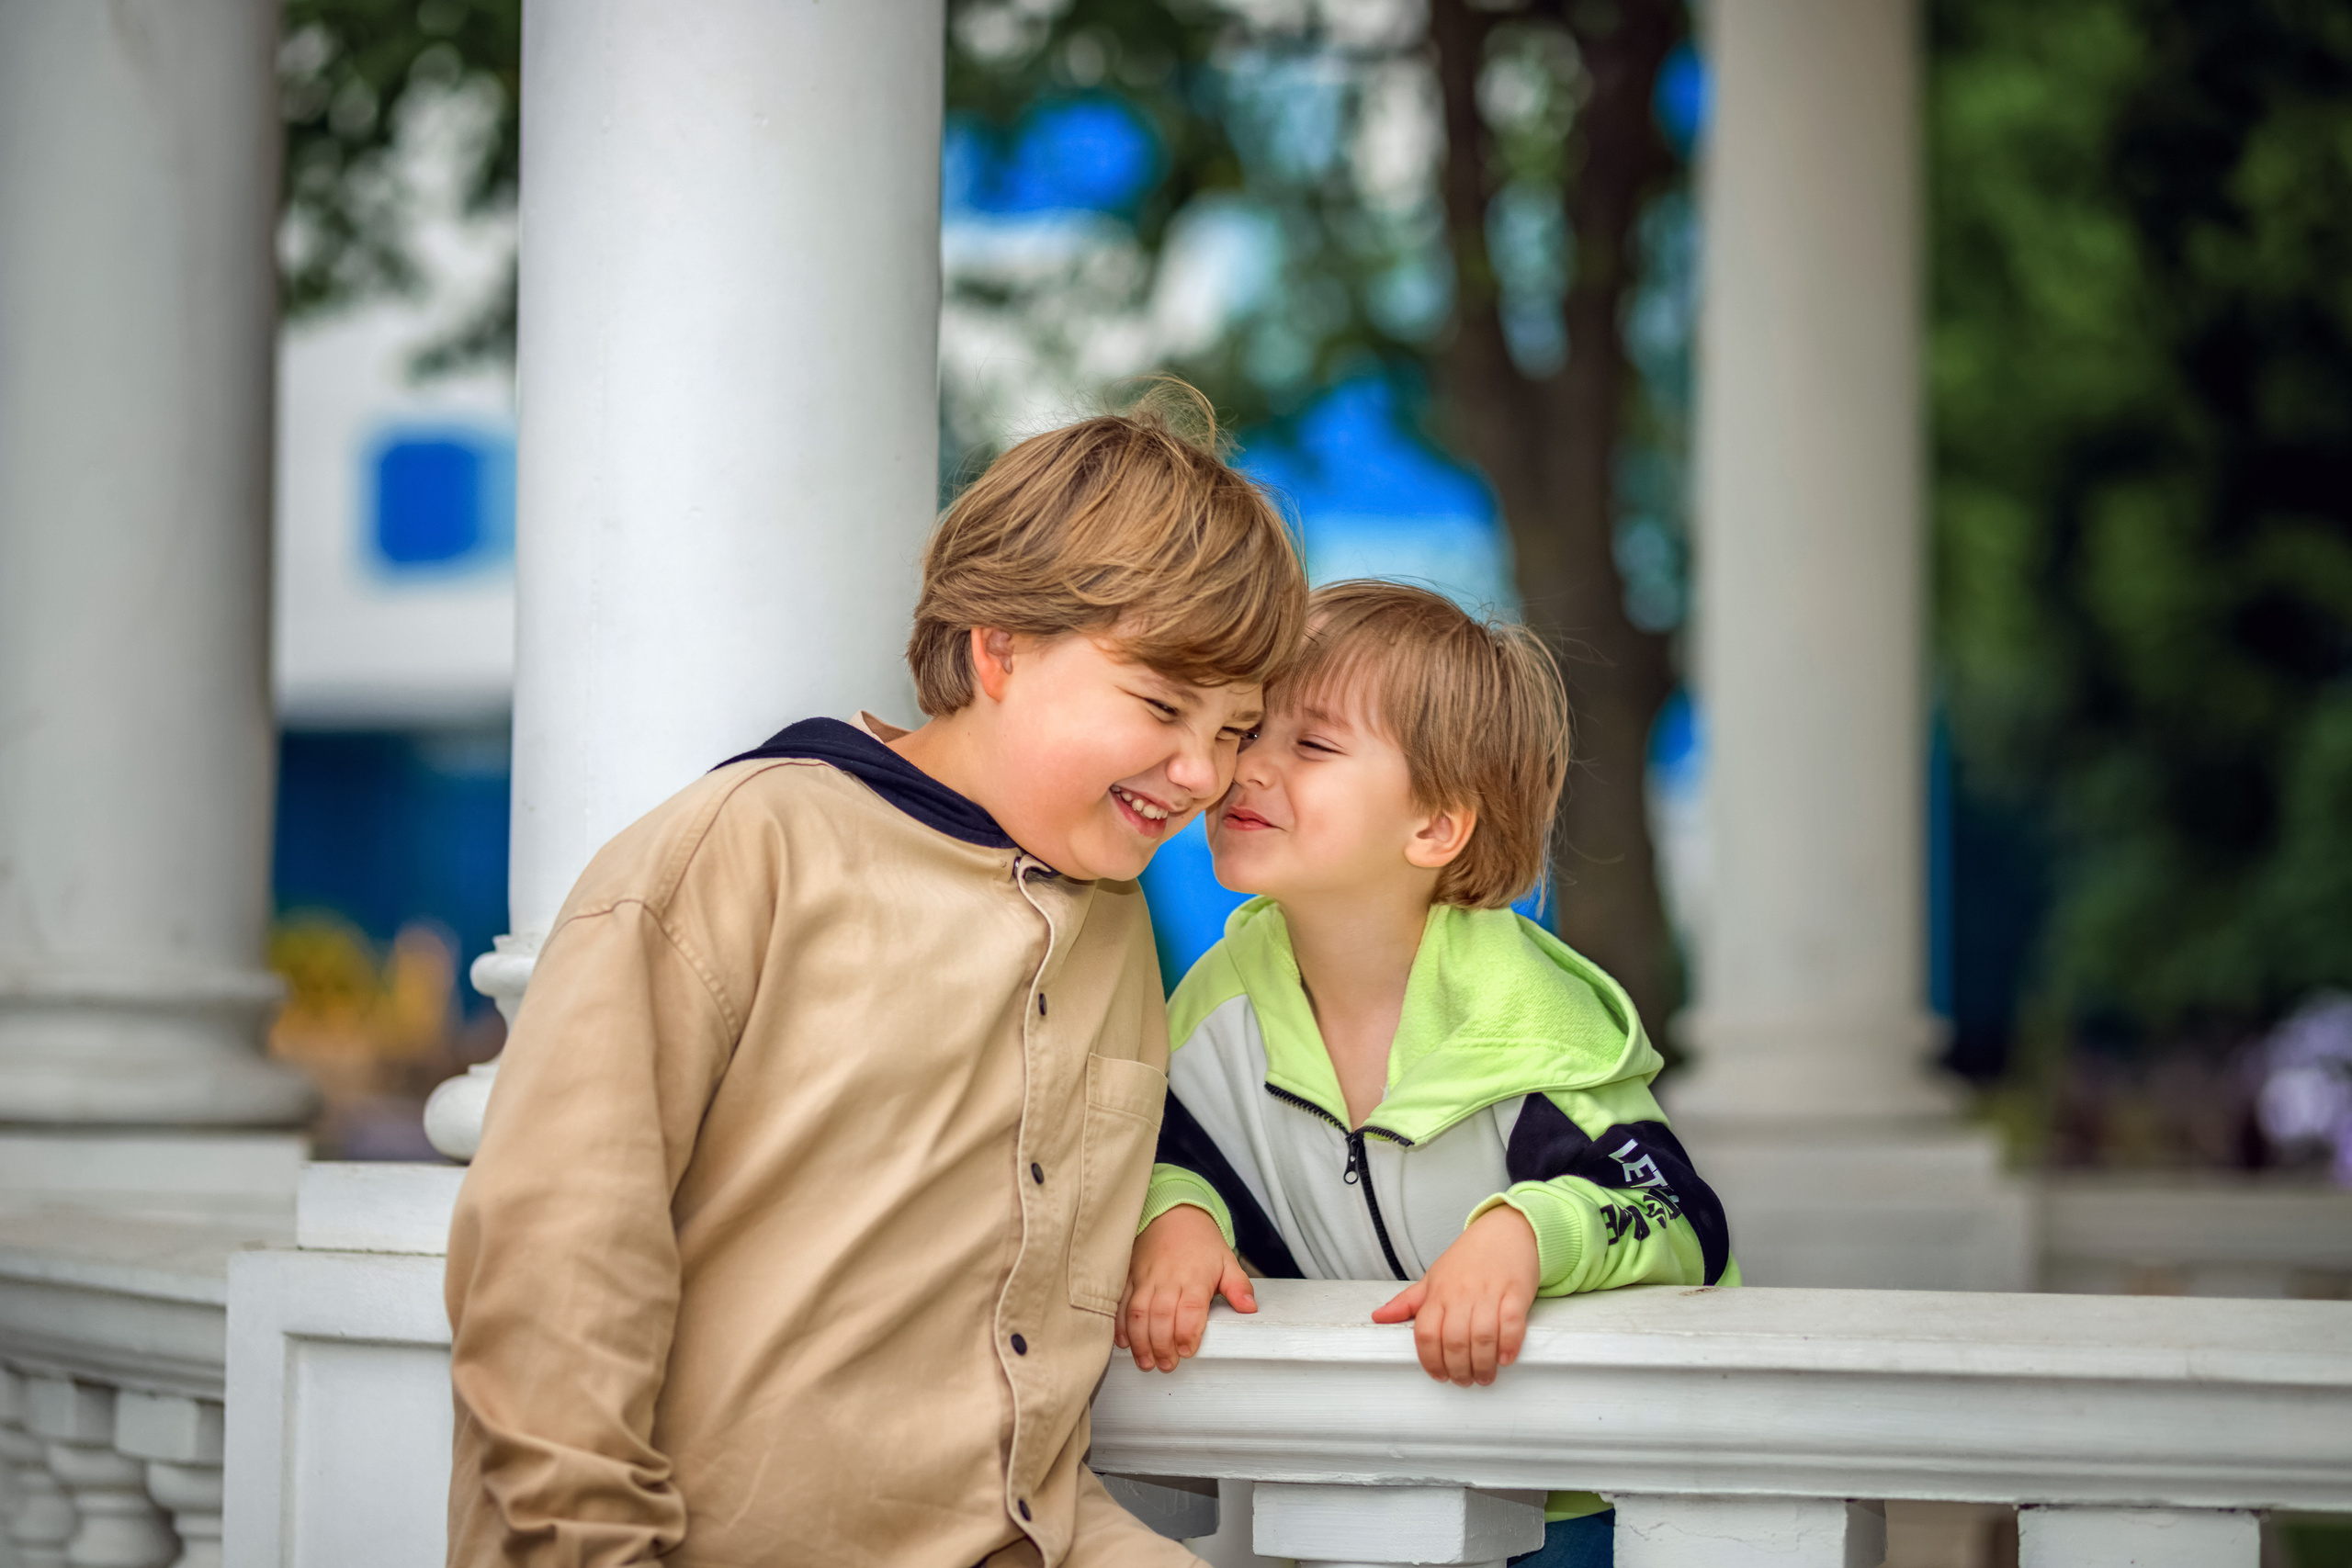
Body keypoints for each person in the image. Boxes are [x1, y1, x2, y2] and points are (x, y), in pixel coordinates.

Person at [443, 385, 1306, 1568]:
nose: (1200, 770)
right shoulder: (746, 850)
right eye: (1160, 704)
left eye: (1233, 729)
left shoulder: (1113, 924)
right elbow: (557, 1262)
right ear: (997, 647)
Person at [1118, 581, 1736, 1568]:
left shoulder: (1526, 1017)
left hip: (1576, 1502)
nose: (1247, 768)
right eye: (1249, 730)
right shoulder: (1219, 1003)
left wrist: (1527, 1232)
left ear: (1436, 828)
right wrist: (1177, 1214)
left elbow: (1682, 1220)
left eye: (1310, 746)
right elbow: (1155, 1147)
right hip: (1357, 1486)